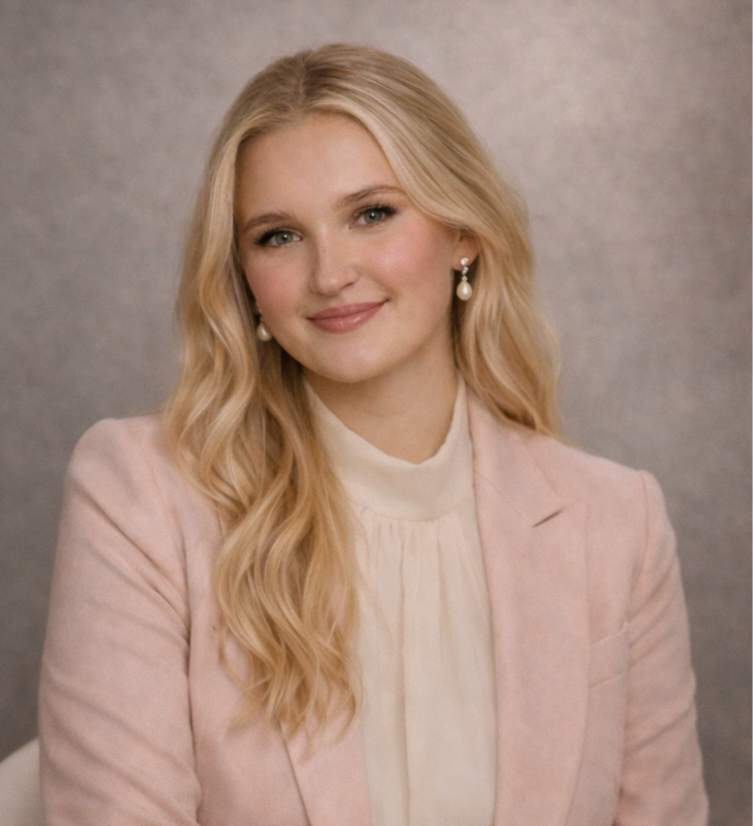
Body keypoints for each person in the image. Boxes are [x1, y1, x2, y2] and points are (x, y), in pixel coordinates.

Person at [38, 43, 708, 825]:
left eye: (372, 214)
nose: (331, 274)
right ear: (244, 280)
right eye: (278, 236)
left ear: (463, 234)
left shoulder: (617, 522)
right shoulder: (139, 493)